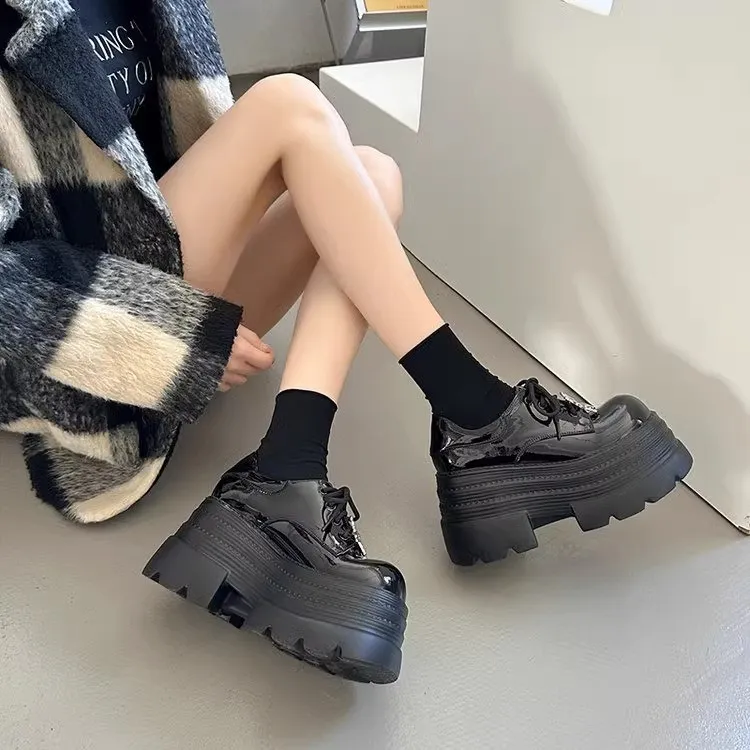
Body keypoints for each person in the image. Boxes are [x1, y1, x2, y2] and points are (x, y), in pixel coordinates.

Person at [0, 0, 692, 684]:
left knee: (372, 175)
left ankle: (286, 474)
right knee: (287, 104)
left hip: (167, 270)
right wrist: (155, 333)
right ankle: (478, 416)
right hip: (81, 347)